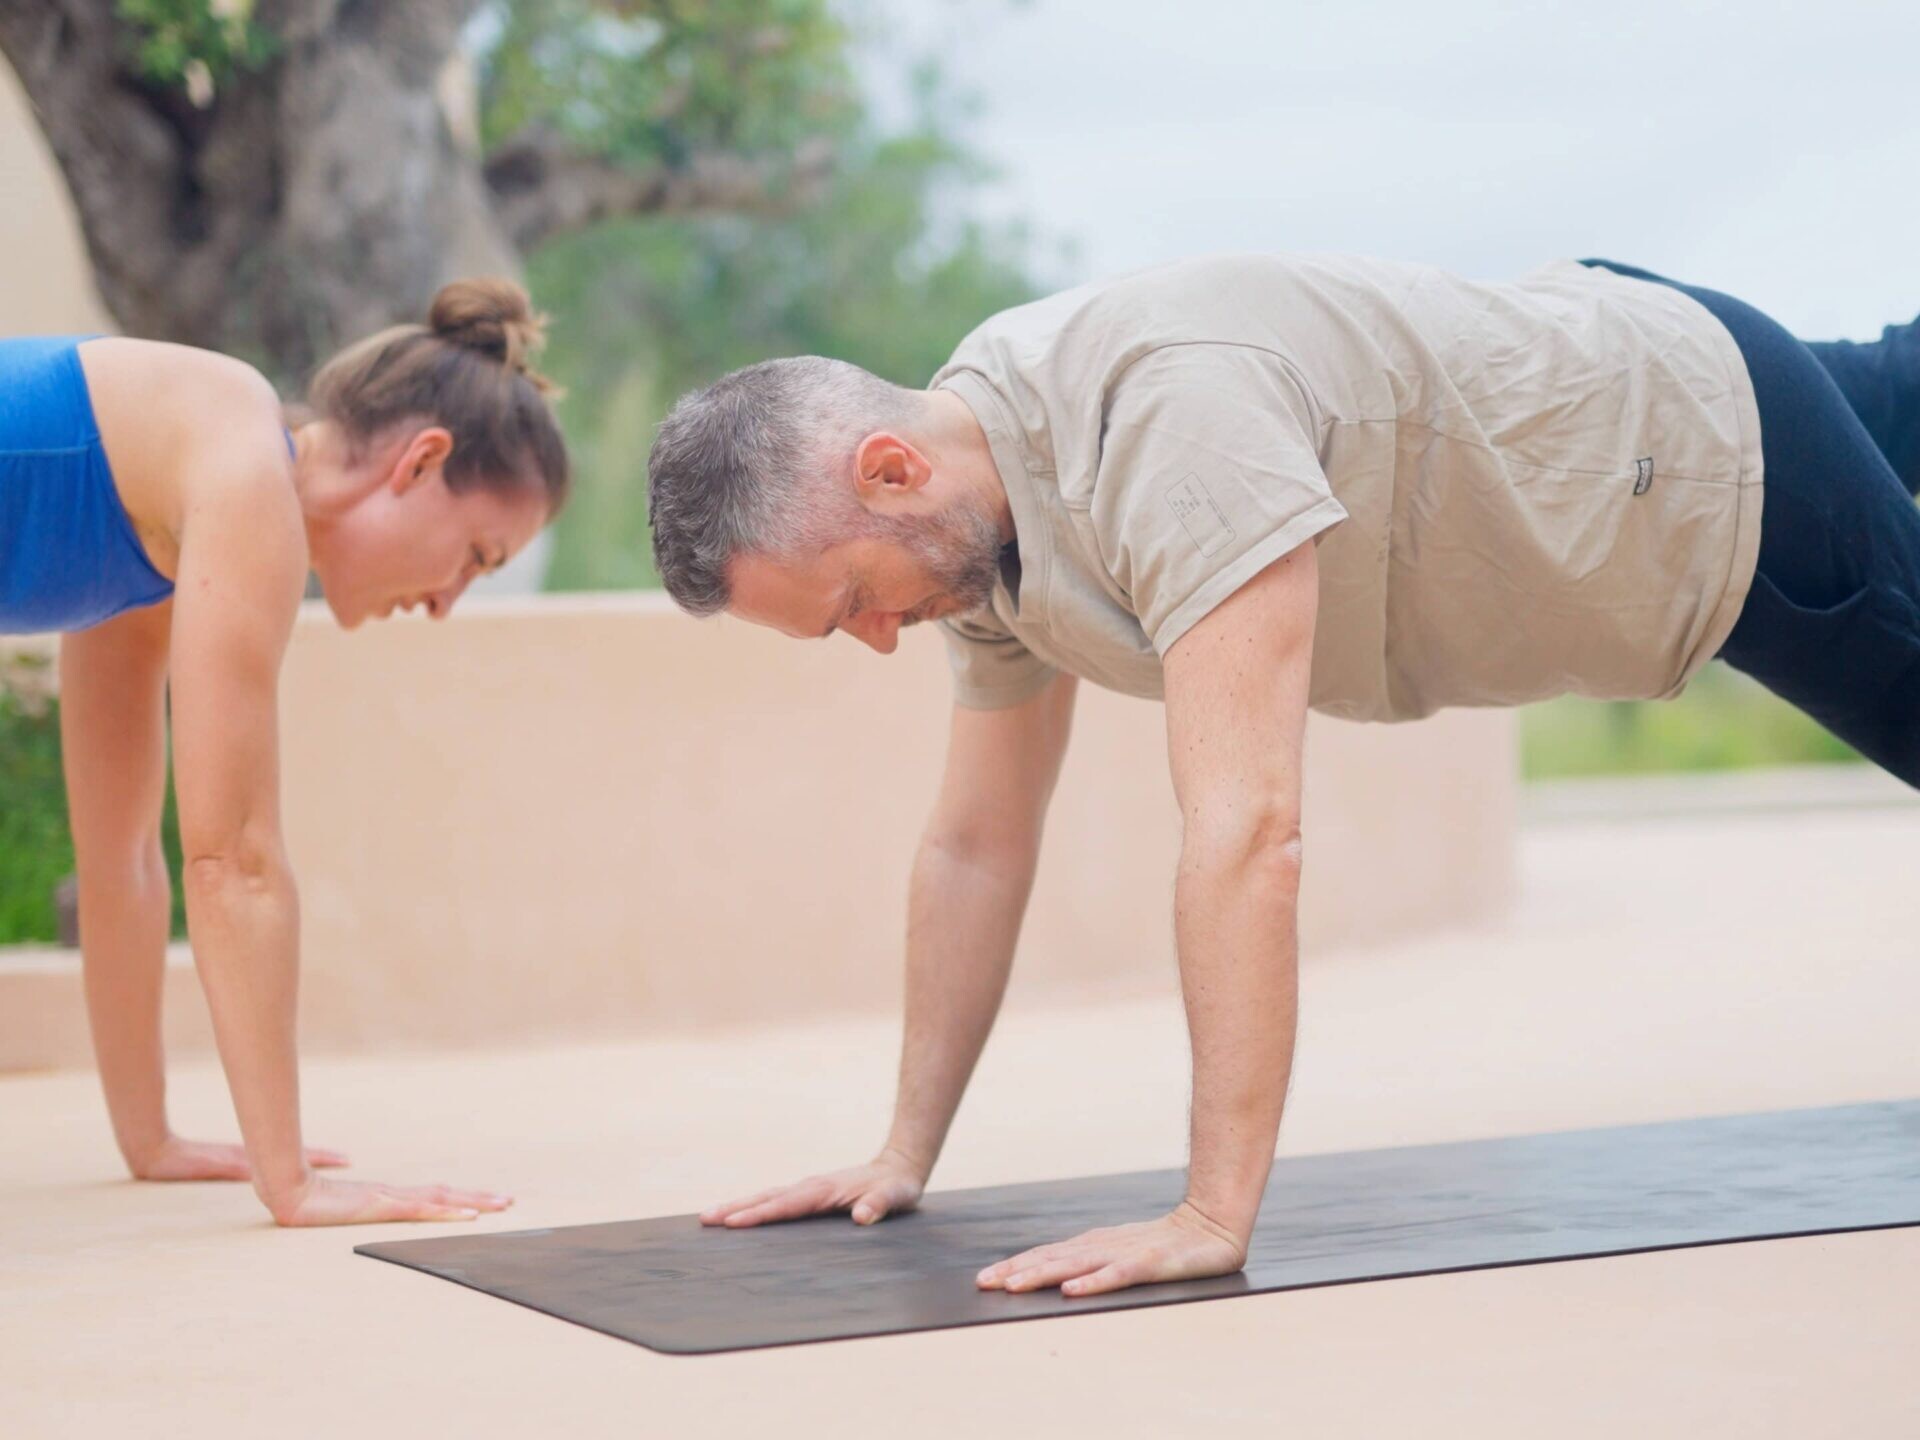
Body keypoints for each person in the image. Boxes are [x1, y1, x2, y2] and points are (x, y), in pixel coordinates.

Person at [645, 251, 1920, 1296]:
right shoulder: (972, 528)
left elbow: (1249, 827)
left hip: (1701, 462)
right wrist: (901, 1152)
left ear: (890, 469)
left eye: (855, 602)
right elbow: (979, 840)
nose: (875, 639)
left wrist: (1211, 1210)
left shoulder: (1168, 427)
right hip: (1637, 347)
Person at [0, 278, 570, 1226]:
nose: (447, 602)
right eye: (476, 555)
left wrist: (152, 1143)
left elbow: (123, 860)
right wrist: (293, 1185)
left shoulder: (163, 503)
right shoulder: (239, 462)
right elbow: (237, 861)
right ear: (420, 462)